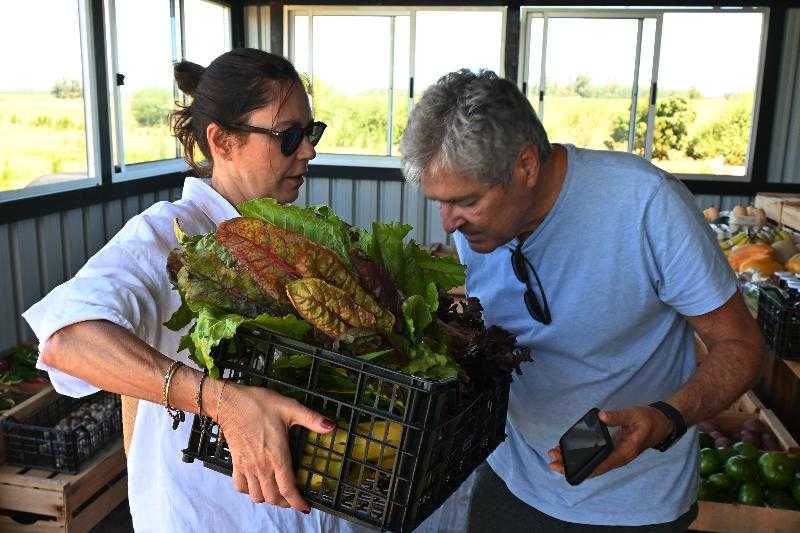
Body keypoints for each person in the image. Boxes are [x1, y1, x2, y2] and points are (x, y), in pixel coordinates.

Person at [399, 69, 765, 532]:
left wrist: (666, 417)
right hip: (513, 477)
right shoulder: (478, 225)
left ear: (526, 166)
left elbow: (742, 347)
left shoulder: (645, 205)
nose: (448, 223)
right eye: (438, 202)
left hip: (632, 504)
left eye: (465, 201)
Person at [23, 49, 357, 532]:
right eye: (288, 136)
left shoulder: (286, 235)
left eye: (311, 133)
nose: (307, 151)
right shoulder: (170, 235)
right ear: (223, 141)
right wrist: (221, 401)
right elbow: (68, 340)